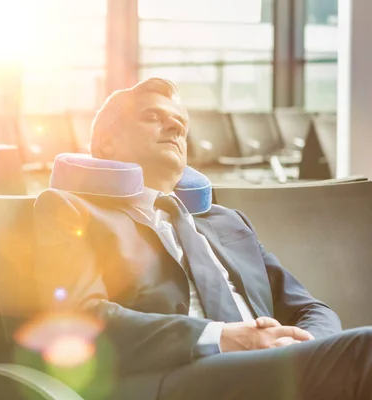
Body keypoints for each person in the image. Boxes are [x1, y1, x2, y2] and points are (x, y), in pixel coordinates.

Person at [33, 78, 372, 400]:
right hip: (170, 377)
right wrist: (222, 338)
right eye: (153, 116)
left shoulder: (228, 221)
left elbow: (311, 308)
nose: (175, 127)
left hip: (266, 369)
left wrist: (304, 343)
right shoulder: (70, 210)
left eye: (180, 123)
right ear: (108, 140)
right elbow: (81, 318)